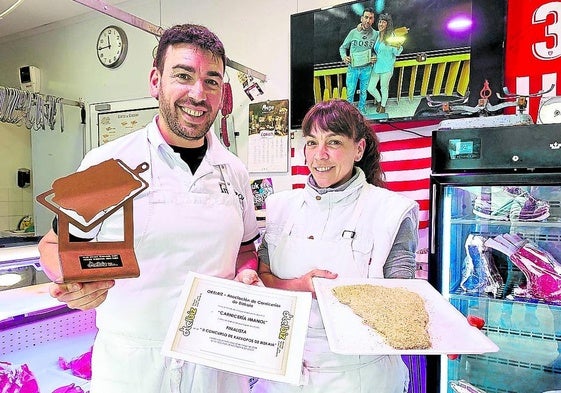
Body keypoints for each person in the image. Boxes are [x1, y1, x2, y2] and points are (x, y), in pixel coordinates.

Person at [37, 24, 261, 393]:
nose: (197, 94)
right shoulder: (109, 163)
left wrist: (247, 274)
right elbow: (52, 246)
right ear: (156, 81)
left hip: (217, 365)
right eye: (183, 76)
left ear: (223, 92)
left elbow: (246, 250)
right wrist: (73, 279)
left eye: (211, 81)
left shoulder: (234, 172)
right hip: (132, 368)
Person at [253, 99, 419, 393]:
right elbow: (264, 278)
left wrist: (440, 331)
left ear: (358, 149)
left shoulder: (392, 211)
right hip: (283, 373)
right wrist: (301, 285)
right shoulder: (280, 207)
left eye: (334, 142)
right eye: (311, 142)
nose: (320, 154)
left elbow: (399, 303)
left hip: (360, 377)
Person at [339, 8, 378, 114]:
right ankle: (350, 112)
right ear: (361, 18)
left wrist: (375, 56)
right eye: (366, 17)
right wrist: (344, 57)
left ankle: (362, 108)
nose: (368, 20)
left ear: (373, 20)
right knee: (350, 92)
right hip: (353, 68)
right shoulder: (353, 33)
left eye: (370, 18)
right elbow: (342, 48)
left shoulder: (376, 34)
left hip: (367, 68)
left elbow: (378, 50)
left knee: (363, 92)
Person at [366, 13, 405, 114]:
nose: (381, 24)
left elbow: (396, 53)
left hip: (387, 67)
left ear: (387, 24)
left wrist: (398, 47)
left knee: (384, 88)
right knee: (370, 87)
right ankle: (379, 101)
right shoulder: (377, 35)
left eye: (383, 22)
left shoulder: (392, 36)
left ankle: (383, 106)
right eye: (379, 22)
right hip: (376, 66)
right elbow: (376, 50)